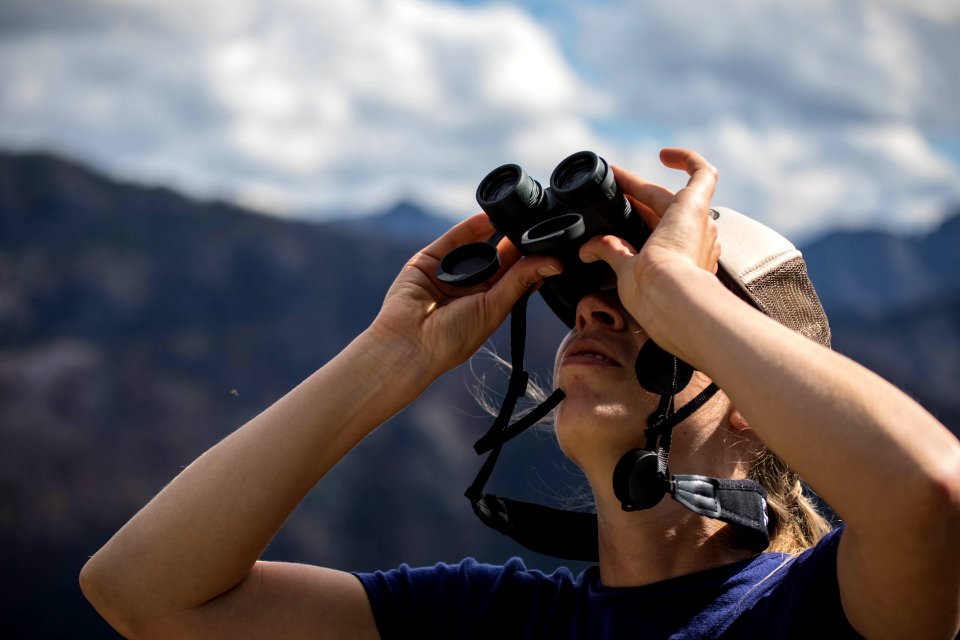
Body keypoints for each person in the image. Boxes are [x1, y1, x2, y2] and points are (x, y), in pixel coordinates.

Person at [80, 148, 960, 639]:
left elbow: (931, 495)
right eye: (585, 300)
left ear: (753, 394)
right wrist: (392, 357)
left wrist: (680, 296)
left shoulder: (824, 612)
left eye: (645, 303)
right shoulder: (491, 623)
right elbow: (146, 594)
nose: (596, 314)